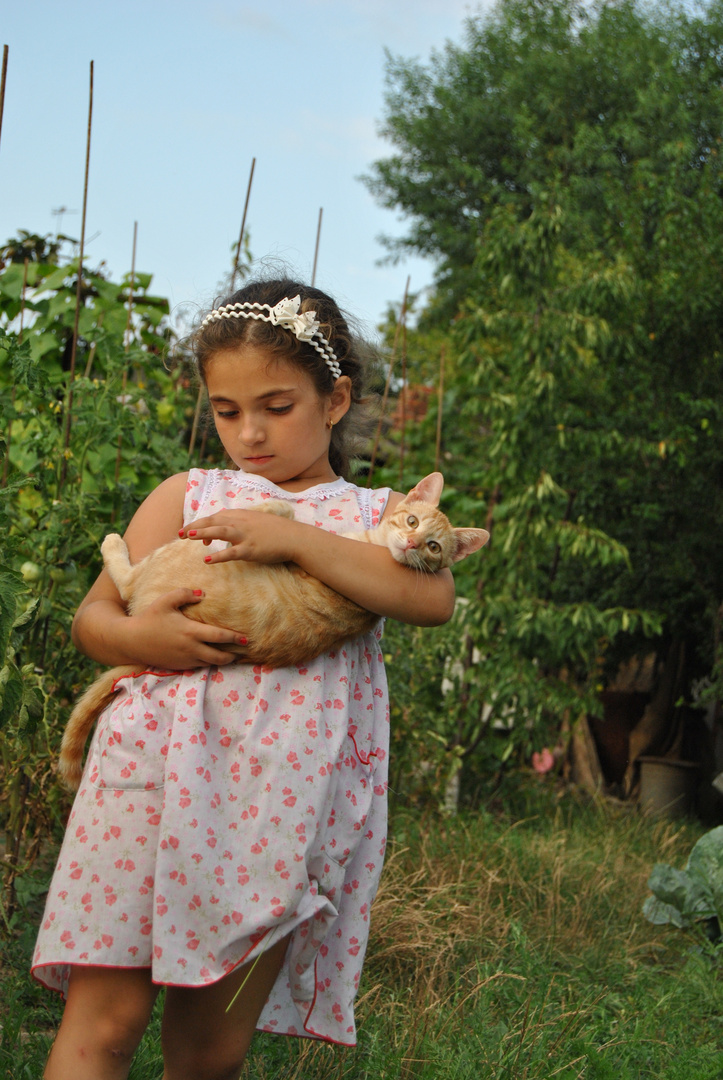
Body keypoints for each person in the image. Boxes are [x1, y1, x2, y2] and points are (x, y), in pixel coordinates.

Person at [33, 278, 455, 1080]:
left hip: (277, 807)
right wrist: (141, 633)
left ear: (334, 399)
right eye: (227, 412)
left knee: (209, 1048)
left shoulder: (376, 517)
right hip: (148, 777)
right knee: (103, 1021)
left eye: (275, 406)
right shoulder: (187, 494)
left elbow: (429, 597)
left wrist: (289, 540)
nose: (249, 434)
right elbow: (95, 617)